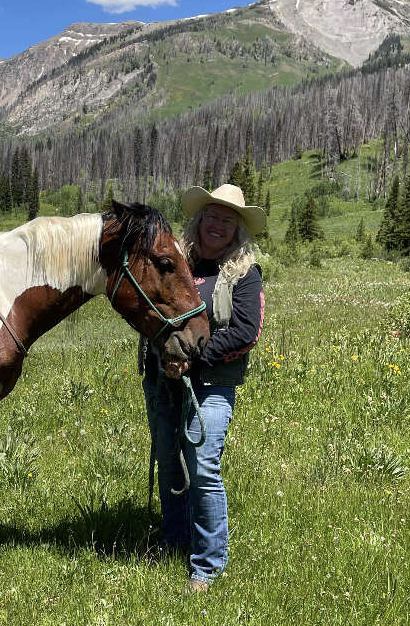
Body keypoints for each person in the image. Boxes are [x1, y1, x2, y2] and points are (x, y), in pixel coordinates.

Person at [141, 183, 266, 593]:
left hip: (212, 381)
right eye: (212, 216)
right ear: (200, 219)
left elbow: (247, 331)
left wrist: (193, 356)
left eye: (226, 221)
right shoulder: (175, 260)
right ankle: (174, 538)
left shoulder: (244, 273)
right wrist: (166, 354)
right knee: (168, 460)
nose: (217, 225)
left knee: (204, 466)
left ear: (237, 230)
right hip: (163, 377)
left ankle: (208, 564)